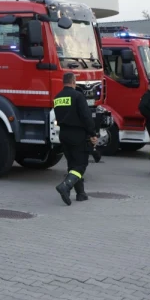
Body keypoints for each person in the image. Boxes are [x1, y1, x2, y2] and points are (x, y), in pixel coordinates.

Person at [53, 72, 99, 205]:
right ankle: (65, 186)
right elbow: (86, 117)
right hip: (78, 134)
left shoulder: (57, 97)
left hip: (64, 134)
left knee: (72, 164)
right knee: (81, 164)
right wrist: (93, 134)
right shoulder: (78, 96)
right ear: (73, 81)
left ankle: (80, 194)